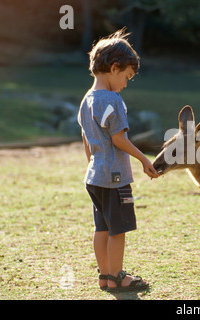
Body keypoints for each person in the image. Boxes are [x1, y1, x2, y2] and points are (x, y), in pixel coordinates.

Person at [78, 28, 159, 292]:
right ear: (114, 68)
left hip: (95, 177)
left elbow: (86, 139)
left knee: (101, 227)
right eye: (126, 77)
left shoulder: (86, 100)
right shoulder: (113, 100)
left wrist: (92, 164)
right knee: (118, 230)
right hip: (115, 178)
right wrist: (143, 160)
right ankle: (117, 277)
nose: (125, 83)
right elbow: (119, 139)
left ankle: (104, 276)